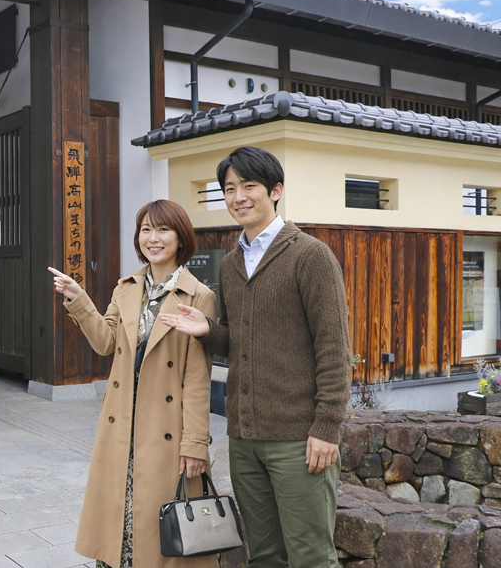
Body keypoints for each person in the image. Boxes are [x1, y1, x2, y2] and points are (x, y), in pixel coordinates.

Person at [159, 146, 351, 568]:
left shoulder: (310, 255)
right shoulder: (230, 265)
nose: (238, 196)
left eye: (249, 186)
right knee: (263, 555)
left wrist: (326, 427)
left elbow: (335, 349)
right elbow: (241, 342)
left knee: (311, 557)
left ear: (275, 191)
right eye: (230, 188)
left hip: (298, 440)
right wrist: (208, 331)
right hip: (244, 440)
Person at [49, 199, 217, 568]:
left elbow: (196, 378)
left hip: (165, 429)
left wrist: (195, 444)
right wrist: (78, 300)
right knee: (118, 515)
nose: (152, 239)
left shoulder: (199, 295)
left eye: (162, 230)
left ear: (180, 237)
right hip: (121, 423)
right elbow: (106, 341)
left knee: (159, 523)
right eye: (146, 230)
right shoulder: (126, 287)